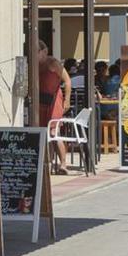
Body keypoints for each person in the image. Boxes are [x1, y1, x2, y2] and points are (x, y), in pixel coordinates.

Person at [38, 42, 72, 173]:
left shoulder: (53, 63)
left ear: (44, 51)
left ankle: (63, 164)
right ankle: (48, 162)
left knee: (54, 132)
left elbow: (67, 80)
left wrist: (67, 100)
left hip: (54, 100)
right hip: (39, 100)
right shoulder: (33, 64)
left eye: (37, 51)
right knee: (42, 131)